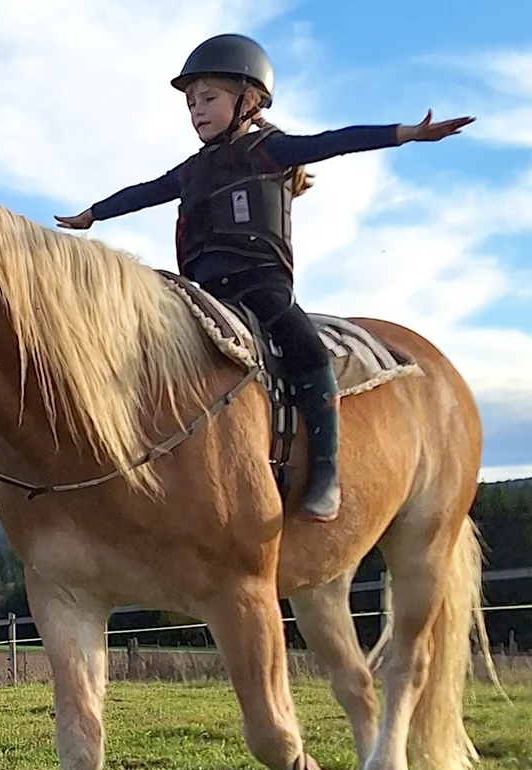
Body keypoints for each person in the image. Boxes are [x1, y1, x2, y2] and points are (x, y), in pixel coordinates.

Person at [55, 34, 472, 522]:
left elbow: (335, 142)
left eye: (208, 98)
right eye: (191, 104)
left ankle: (325, 475)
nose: (196, 111)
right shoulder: (193, 170)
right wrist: (95, 214)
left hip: (261, 286)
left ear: (248, 99)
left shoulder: (269, 151)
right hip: (202, 293)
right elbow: (147, 191)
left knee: (308, 349)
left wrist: (404, 133)